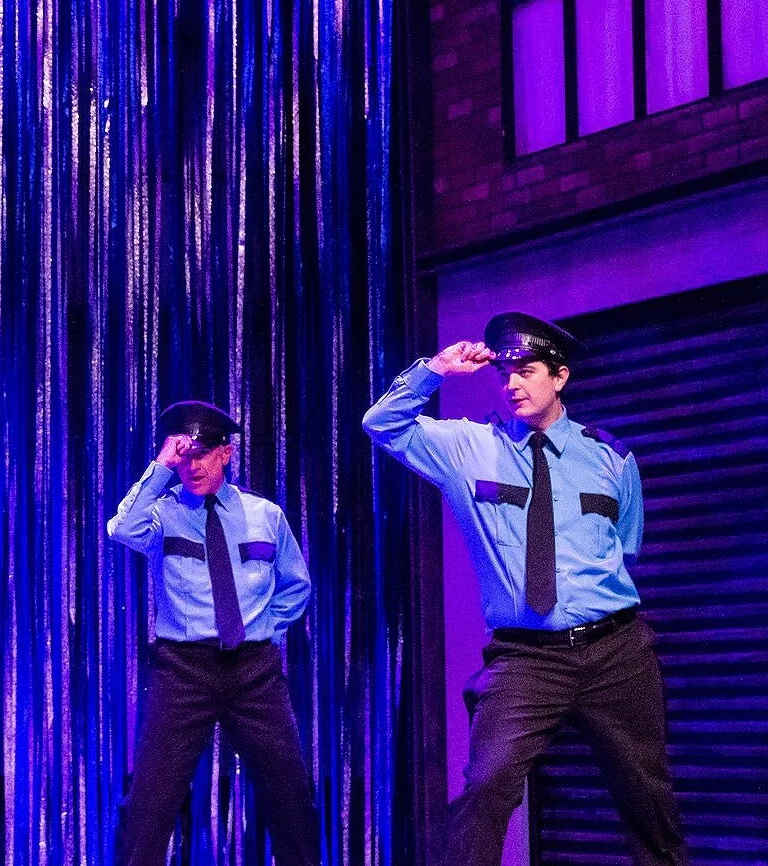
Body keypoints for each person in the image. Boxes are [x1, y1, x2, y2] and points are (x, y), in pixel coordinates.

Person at [362, 312, 687, 866]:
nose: (512, 384)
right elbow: (382, 425)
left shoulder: (610, 458)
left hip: (615, 651)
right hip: (527, 657)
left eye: (527, 371)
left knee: (647, 798)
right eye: (505, 373)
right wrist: (436, 369)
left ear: (560, 377)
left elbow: (626, 548)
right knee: (486, 786)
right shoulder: (468, 448)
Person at [106, 400, 319, 866]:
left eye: (201, 453)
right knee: (148, 802)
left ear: (225, 452)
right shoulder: (162, 513)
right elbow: (122, 529)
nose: (192, 465)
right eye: (183, 455)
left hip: (254, 670)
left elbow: (296, 584)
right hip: (184, 670)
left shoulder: (264, 515)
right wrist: (161, 466)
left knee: (291, 796)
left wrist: (262, 628)